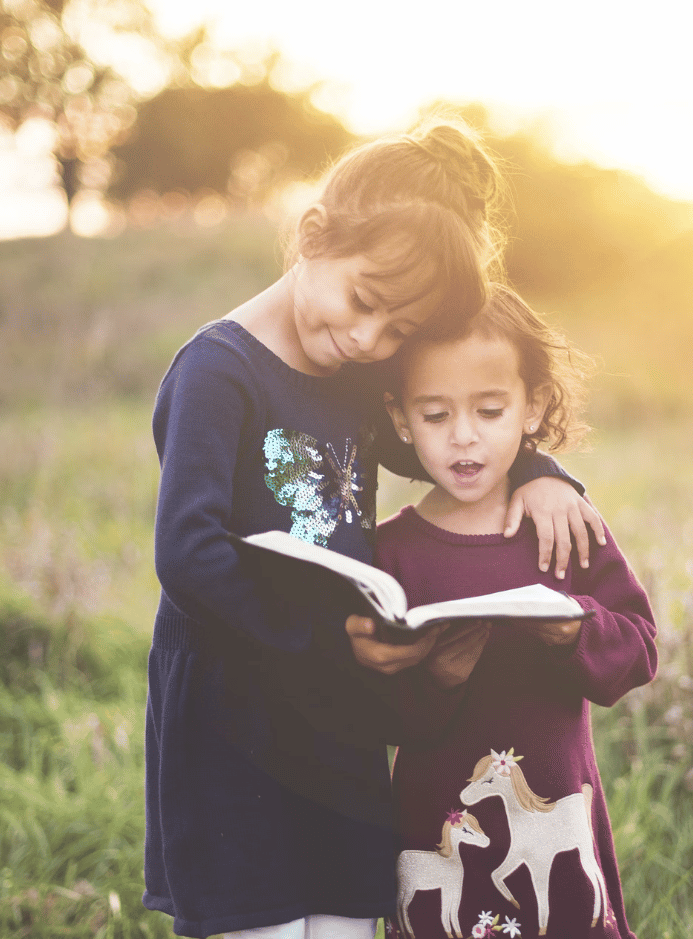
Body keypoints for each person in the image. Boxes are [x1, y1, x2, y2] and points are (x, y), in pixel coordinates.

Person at [143, 118, 606, 939]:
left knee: (349, 921)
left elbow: (451, 447)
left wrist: (540, 472)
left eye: (398, 331)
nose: (368, 339)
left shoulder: (355, 377)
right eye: (364, 302)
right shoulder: (219, 373)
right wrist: (328, 639)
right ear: (313, 234)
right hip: (233, 724)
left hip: (339, 723)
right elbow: (187, 553)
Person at [375, 284, 658, 939]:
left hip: (557, 813)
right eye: (436, 415)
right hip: (439, 824)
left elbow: (639, 650)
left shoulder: (563, 526)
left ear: (532, 407)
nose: (464, 436)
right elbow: (375, 711)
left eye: (490, 409)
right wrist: (437, 676)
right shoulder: (391, 552)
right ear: (400, 417)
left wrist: (574, 627)